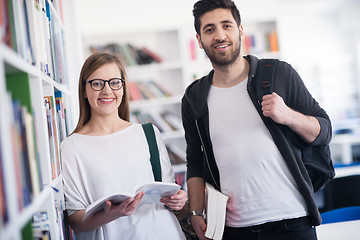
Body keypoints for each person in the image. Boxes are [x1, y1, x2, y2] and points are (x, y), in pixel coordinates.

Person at [181, 0, 332, 239]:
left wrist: (289, 116)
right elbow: (195, 162)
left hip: (292, 222)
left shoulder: (279, 74)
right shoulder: (194, 97)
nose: (220, 35)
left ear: (240, 30)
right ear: (199, 40)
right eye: (209, 29)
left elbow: (324, 131)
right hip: (234, 229)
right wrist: (196, 212)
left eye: (226, 25)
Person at [61, 52, 187, 240]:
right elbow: (75, 220)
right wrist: (112, 214)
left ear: (123, 87)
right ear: (84, 91)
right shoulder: (71, 147)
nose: (107, 91)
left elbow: (168, 192)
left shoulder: (148, 133)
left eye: (115, 82)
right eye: (97, 83)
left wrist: (179, 199)